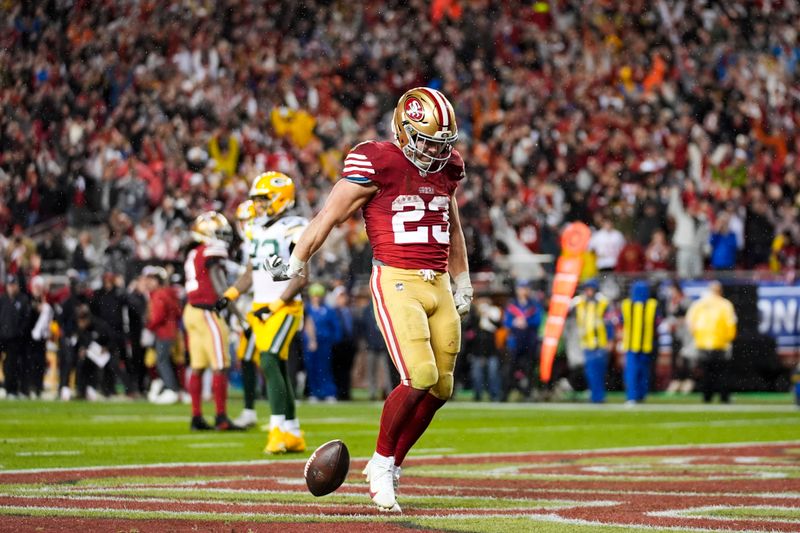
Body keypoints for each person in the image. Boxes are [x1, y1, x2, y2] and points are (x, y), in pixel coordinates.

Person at [268, 87, 471, 512]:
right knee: (418, 373)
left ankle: (394, 462)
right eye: (427, 141)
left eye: (441, 144)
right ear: (404, 129)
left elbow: (452, 224)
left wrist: (463, 278)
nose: (435, 151)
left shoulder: (447, 167)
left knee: (442, 385)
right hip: (397, 278)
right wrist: (298, 258)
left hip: (437, 281)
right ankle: (380, 464)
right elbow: (329, 214)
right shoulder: (376, 160)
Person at [217, 172, 309, 453]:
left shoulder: (294, 226)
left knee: (268, 361)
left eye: (263, 199)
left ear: (280, 199)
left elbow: (301, 275)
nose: (257, 205)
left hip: (285, 307)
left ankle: (277, 428)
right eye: (256, 200)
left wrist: (279, 302)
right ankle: (293, 431)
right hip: (261, 308)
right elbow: (253, 270)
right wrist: (231, 293)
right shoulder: (257, 230)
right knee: (275, 365)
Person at [181, 211, 243, 431]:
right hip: (207, 311)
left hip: (190, 311)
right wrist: (239, 316)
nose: (223, 237)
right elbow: (220, 286)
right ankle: (221, 417)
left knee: (197, 367)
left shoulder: (194, 252)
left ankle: (196, 416)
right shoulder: (211, 251)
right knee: (220, 365)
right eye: (219, 233)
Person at [685, 281, 737, 404]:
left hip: (702, 343)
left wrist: (697, 336)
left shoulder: (699, 304)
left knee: (706, 373)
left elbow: (690, 321)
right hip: (720, 343)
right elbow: (731, 324)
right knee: (721, 373)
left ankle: (707, 397)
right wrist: (729, 338)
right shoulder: (725, 304)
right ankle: (724, 397)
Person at [143, 266, 182, 405]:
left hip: (163, 332)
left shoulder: (160, 294)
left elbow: (158, 316)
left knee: (162, 361)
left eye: (151, 280)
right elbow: (177, 312)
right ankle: (171, 388)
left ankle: (171, 389)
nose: (148, 283)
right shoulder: (168, 292)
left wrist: (148, 327)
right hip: (171, 331)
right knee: (165, 361)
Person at [571, 279, 611, 403]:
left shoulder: (603, 303)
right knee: (590, 372)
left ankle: (598, 396)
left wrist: (610, 339)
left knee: (598, 371)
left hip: (600, 342)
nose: (589, 292)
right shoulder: (579, 302)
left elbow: (609, 323)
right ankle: (595, 395)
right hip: (586, 342)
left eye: (591, 289)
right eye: (587, 289)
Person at [620, 281, 660, 405]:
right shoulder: (652, 305)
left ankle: (633, 396)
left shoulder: (626, 305)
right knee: (640, 373)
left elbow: (621, 322)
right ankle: (638, 396)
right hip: (644, 344)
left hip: (635, 344)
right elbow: (657, 323)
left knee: (633, 373)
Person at [503, 279, 542, 401]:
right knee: (510, 369)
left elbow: (538, 320)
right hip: (515, 342)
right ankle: (507, 393)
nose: (523, 291)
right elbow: (506, 322)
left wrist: (526, 322)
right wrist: (514, 322)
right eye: (521, 289)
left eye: (525, 289)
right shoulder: (512, 305)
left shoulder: (534, 305)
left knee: (529, 369)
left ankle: (528, 393)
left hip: (529, 342)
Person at [303, 282, 339, 402]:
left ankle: (329, 392)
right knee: (311, 369)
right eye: (314, 295)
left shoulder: (328, 310)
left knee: (325, 368)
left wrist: (332, 340)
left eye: (318, 295)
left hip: (325, 344)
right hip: (309, 344)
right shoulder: (306, 310)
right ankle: (314, 393)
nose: (316, 298)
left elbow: (336, 327)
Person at [331, 286, 357, 401]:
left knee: (347, 370)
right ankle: (339, 392)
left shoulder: (350, 311)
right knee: (337, 370)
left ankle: (346, 393)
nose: (343, 299)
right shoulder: (333, 311)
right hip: (337, 344)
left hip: (349, 344)